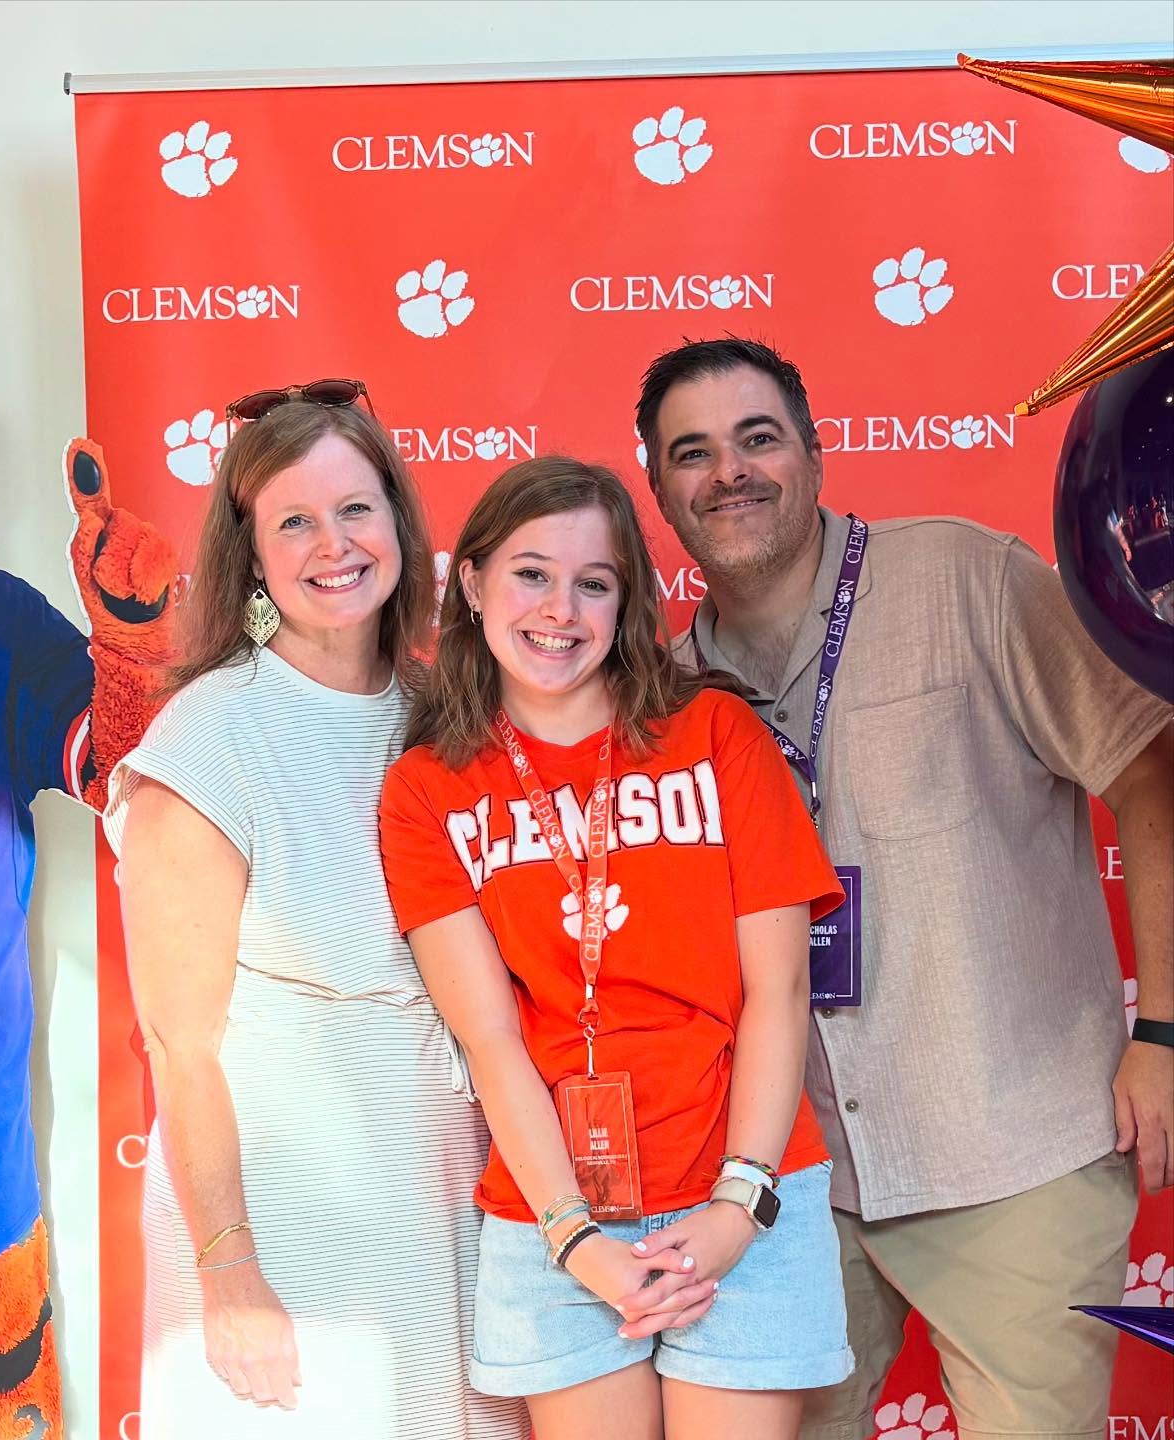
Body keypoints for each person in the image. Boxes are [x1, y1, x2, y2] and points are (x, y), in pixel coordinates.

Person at [635, 337, 1174, 1440]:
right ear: (659, 491)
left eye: (757, 438)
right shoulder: (665, 698)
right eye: (692, 454)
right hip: (789, 1190)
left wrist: (1164, 1031)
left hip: (1016, 1155)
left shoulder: (967, 578)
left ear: (816, 452)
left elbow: (1153, 779)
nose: (728, 471)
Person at [379, 457, 853, 1440]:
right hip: (556, 1218)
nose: (562, 610)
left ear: (627, 600)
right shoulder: (428, 790)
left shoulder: (716, 737)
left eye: (594, 582)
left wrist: (739, 1205)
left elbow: (780, 990)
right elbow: (492, 1038)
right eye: (531, 573)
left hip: (742, 1191)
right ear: (470, 583)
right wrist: (574, 1237)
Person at [104, 382, 527, 1439]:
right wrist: (230, 1278)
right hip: (292, 1240)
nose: (332, 543)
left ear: (398, 523)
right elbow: (181, 1045)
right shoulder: (208, 743)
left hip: (455, 1212)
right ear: (250, 556)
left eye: (355, 510)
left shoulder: (447, 721)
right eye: (293, 520)